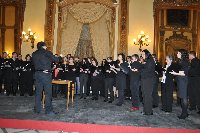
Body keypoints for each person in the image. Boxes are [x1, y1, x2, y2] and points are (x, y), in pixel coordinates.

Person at [32, 42, 59, 115]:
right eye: (45, 46)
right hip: (46, 75)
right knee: (48, 93)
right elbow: (56, 60)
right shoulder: (47, 52)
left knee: (38, 93)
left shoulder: (34, 54)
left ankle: (37, 109)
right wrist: (60, 57)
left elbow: (33, 64)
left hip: (37, 74)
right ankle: (48, 111)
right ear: (43, 46)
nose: (46, 47)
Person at [170, 49, 189, 119]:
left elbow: (184, 72)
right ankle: (185, 112)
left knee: (184, 97)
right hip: (181, 81)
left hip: (184, 81)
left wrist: (175, 73)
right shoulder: (180, 61)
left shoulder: (185, 62)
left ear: (182, 54)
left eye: (178, 53)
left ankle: (184, 114)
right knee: (182, 97)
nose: (177, 54)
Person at [141, 49, 156, 115]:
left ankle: (149, 111)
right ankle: (145, 110)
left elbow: (148, 70)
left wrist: (139, 70)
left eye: (143, 54)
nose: (142, 55)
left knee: (147, 96)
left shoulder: (150, 61)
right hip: (145, 79)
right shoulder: (146, 61)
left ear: (147, 54)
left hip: (148, 80)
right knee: (144, 95)